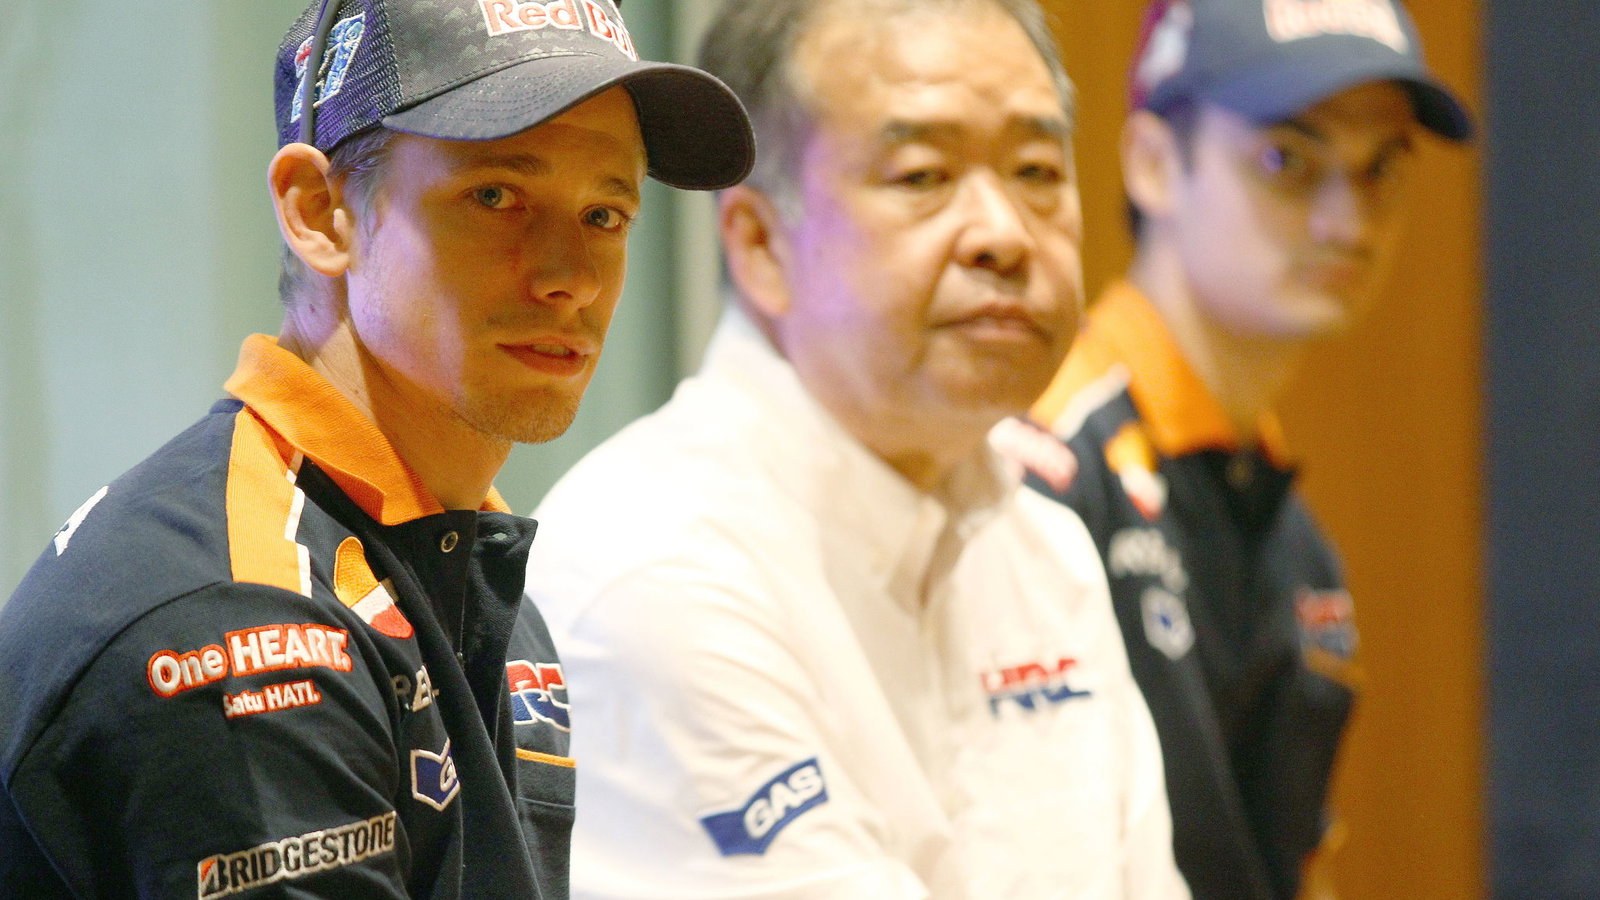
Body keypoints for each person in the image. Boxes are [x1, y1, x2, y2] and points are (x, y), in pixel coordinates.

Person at [0, 0, 752, 896]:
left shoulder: (463, 565)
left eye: (605, 214)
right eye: (496, 197)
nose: (572, 278)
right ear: (318, 212)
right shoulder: (246, 620)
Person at [524, 0, 1190, 897]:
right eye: (922, 176)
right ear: (759, 243)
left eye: (1037, 169)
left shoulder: (1046, 549)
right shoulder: (647, 563)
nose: (1002, 233)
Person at [994, 1, 1474, 897]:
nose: (1349, 221)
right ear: (1151, 164)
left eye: (1382, 169)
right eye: (1287, 160)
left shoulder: (1292, 536)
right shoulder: (1044, 469)